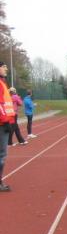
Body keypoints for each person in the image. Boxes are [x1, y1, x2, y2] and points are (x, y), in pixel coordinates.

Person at [0, 61, 14, 191]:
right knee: (1, 154)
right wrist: (5, 121)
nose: (6, 69)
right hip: (2, 124)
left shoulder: (3, 83)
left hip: (4, 122)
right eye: (4, 67)